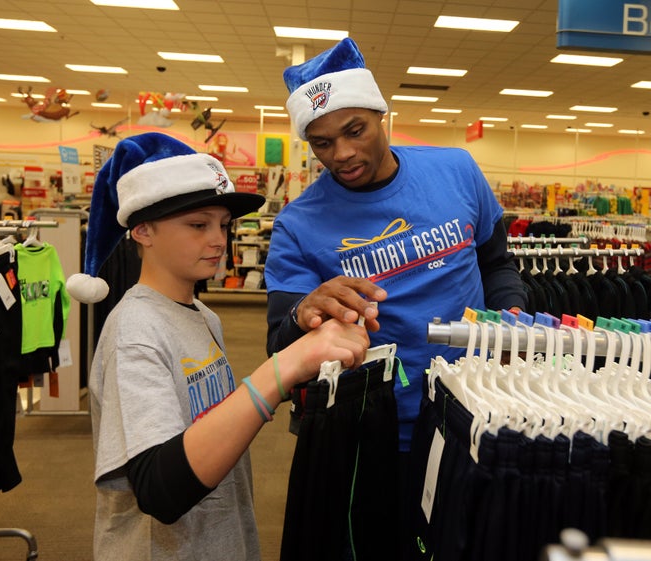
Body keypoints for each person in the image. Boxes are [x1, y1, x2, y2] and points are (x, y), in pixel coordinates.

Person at [66, 132, 371, 561]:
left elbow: (213, 424)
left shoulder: (202, 315)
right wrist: (283, 368)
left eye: (223, 225)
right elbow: (159, 489)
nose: (217, 240)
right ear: (143, 230)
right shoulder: (135, 331)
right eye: (198, 225)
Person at [265, 37, 526, 457]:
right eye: (322, 143)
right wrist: (304, 311)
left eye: (355, 130)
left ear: (381, 116)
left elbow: (496, 264)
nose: (343, 154)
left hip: (476, 407)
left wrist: (511, 318)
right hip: (372, 427)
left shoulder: (457, 170)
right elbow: (280, 343)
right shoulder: (297, 225)